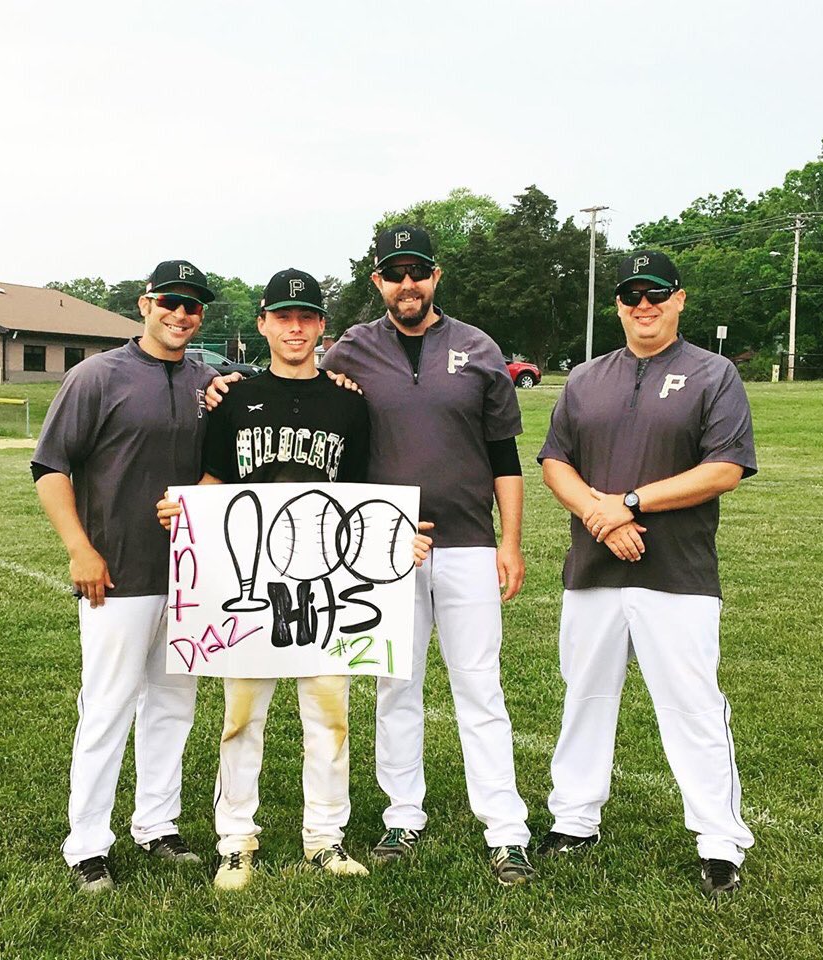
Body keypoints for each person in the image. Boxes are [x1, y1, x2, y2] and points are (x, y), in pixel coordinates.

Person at [158, 268, 430, 891]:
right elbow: (215, 484)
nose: (296, 327)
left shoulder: (349, 401)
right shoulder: (233, 400)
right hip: (250, 586)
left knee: (328, 715)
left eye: (307, 316)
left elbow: (362, 495)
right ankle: (235, 838)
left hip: (326, 587)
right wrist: (184, 513)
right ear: (263, 323)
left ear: (322, 326)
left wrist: (396, 535)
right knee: (240, 717)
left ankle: (326, 837)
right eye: (283, 316)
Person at [537, 250, 756, 898]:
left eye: (655, 293)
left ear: (679, 299)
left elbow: (726, 468)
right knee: (584, 698)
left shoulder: (713, 374)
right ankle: (574, 820)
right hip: (594, 571)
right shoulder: (585, 378)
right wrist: (602, 517)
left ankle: (719, 842)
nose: (643, 305)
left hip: (679, 575)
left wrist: (630, 502)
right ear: (618, 306)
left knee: (693, 708)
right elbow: (555, 462)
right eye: (632, 295)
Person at [321, 225, 535, 886]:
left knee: (480, 687)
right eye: (394, 273)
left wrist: (511, 540)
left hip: (469, 540)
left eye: (417, 271)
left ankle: (506, 828)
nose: (406, 284)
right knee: (396, 686)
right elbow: (297, 386)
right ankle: (402, 813)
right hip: (386, 546)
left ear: (435, 277)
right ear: (377, 282)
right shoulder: (351, 350)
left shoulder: (477, 346)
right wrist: (220, 387)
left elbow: (505, 455)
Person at [32, 260, 219, 893]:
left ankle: (158, 825)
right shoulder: (97, 375)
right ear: (145, 304)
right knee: (108, 707)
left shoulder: (209, 380)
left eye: (192, 307)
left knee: (173, 704)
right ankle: (87, 842)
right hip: (115, 572)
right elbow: (51, 467)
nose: (181, 315)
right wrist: (80, 549)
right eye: (171, 301)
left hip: (192, 578)